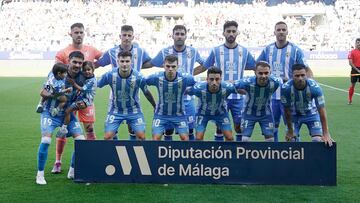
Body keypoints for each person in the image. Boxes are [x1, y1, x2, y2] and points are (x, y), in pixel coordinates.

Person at [50, 23, 102, 174]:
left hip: (85, 98)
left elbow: (105, 58)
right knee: (65, 129)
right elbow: (57, 73)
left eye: (81, 32)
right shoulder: (63, 52)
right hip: (69, 97)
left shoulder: (91, 50)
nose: (79, 35)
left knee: (89, 129)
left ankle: (90, 159)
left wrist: (92, 68)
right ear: (70, 34)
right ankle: (58, 161)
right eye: (76, 32)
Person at [194, 20, 256, 141]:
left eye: (233, 31)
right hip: (220, 95)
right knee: (219, 126)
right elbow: (204, 67)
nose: (231, 33)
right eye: (228, 31)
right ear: (223, 33)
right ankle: (219, 155)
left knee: (239, 127)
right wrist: (187, 75)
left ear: (238, 32)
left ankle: (238, 153)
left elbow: (255, 67)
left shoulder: (244, 51)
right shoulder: (216, 50)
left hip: (238, 96)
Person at [142, 25, 205, 141]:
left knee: (190, 130)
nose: (179, 36)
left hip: (187, 98)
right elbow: (151, 63)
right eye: (177, 34)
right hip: (169, 98)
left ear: (186, 36)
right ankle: (167, 155)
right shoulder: (165, 52)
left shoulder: (193, 51)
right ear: (173, 36)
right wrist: (133, 67)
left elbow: (204, 65)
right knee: (168, 130)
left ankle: (188, 156)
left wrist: (191, 74)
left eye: (182, 34)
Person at [36, 52, 87, 185]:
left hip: (68, 114)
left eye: (80, 63)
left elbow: (85, 97)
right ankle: (40, 175)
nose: (77, 65)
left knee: (81, 141)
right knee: (46, 140)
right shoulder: (56, 72)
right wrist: (56, 96)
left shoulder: (83, 77)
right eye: (74, 62)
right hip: (50, 113)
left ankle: (72, 171)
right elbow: (43, 91)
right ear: (69, 61)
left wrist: (82, 104)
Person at [257, 21, 312, 142]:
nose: (281, 32)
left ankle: (295, 156)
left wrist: (306, 86)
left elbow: (306, 70)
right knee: (272, 129)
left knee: (291, 128)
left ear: (287, 32)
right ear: (274, 32)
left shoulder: (296, 50)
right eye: (278, 30)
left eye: (283, 29)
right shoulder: (267, 50)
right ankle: (274, 156)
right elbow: (257, 67)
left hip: (290, 97)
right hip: (271, 98)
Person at [95, 25, 151, 140]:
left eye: (129, 35)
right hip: (115, 94)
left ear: (133, 37)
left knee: (133, 128)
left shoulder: (140, 51)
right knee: (112, 131)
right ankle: (116, 150)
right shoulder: (112, 52)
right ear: (120, 36)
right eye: (124, 35)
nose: (126, 38)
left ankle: (132, 150)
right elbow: (99, 63)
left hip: (133, 92)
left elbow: (149, 62)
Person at [281, 64, 334, 146]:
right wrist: (290, 131)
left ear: (306, 75)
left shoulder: (315, 88)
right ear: (292, 76)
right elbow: (287, 111)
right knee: (291, 141)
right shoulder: (286, 88)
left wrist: (326, 133)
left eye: (303, 75)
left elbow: (322, 111)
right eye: (297, 76)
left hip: (311, 114)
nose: (300, 78)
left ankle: (315, 158)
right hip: (294, 115)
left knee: (318, 140)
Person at [145, 55, 196, 141]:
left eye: (173, 66)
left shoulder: (185, 78)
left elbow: (197, 86)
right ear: (163, 66)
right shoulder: (156, 77)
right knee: (155, 140)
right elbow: (142, 82)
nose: (170, 69)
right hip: (161, 115)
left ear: (177, 66)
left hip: (179, 115)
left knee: (185, 139)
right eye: (168, 66)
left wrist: (189, 91)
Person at [234, 61, 281, 142]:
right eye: (260, 73)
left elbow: (286, 83)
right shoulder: (248, 82)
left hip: (266, 113)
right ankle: (250, 153)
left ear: (270, 73)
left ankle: (266, 154)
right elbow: (232, 85)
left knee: (270, 140)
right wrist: (244, 92)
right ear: (255, 73)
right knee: (245, 140)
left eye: (266, 73)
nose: (264, 76)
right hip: (249, 113)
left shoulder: (276, 82)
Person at [186, 67, 235, 141]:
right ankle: (200, 152)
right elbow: (184, 91)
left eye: (217, 79)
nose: (214, 82)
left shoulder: (228, 87)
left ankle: (224, 152)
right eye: (211, 79)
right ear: (207, 79)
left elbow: (242, 89)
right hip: (202, 114)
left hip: (221, 114)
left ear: (221, 79)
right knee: (198, 138)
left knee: (230, 138)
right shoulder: (198, 88)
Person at [58, 61, 97, 135]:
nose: (86, 72)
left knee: (68, 111)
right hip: (79, 98)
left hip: (85, 101)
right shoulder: (85, 76)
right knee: (67, 110)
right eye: (84, 70)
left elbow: (82, 89)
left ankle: (64, 128)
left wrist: (73, 83)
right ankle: (66, 128)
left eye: (89, 70)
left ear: (93, 70)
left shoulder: (92, 81)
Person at [347, 38, 360, 105]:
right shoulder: (352, 52)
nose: (359, 44)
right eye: (358, 43)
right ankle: (350, 99)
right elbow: (350, 63)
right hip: (355, 70)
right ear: (355, 43)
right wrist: (357, 70)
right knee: (353, 85)